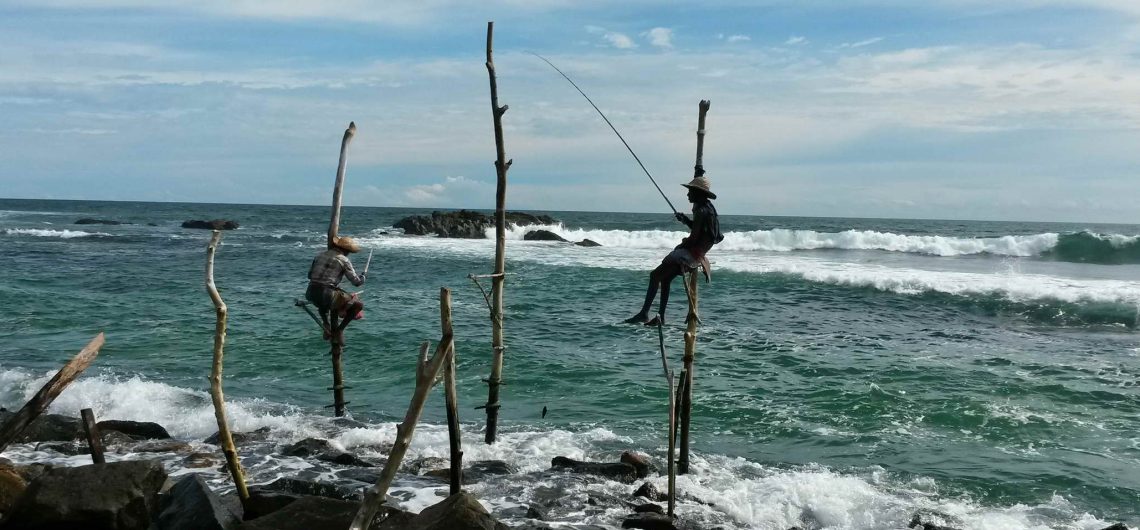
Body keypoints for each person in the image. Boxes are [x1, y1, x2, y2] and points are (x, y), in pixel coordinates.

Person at [624, 168, 723, 326]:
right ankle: (661, 316)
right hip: (698, 254)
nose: (687, 194)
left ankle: (644, 313)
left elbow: (694, 237)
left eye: (690, 191)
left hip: (692, 255)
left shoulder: (701, 211)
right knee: (665, 279)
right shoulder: (708, 209)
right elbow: (701, 231)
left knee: (655, 276)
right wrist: (685, 220)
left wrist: (681, 245)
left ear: (698, 193)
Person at [306, 236, 366, 340]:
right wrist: (363, 277)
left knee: (323, 303)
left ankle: (326, 323)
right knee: (358, 305)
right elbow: (356, 283)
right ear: (346, 250)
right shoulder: (344, 260)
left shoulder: (319, 256)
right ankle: (339, 330)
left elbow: (310, 275)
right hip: (327, 294)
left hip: (310, 292)